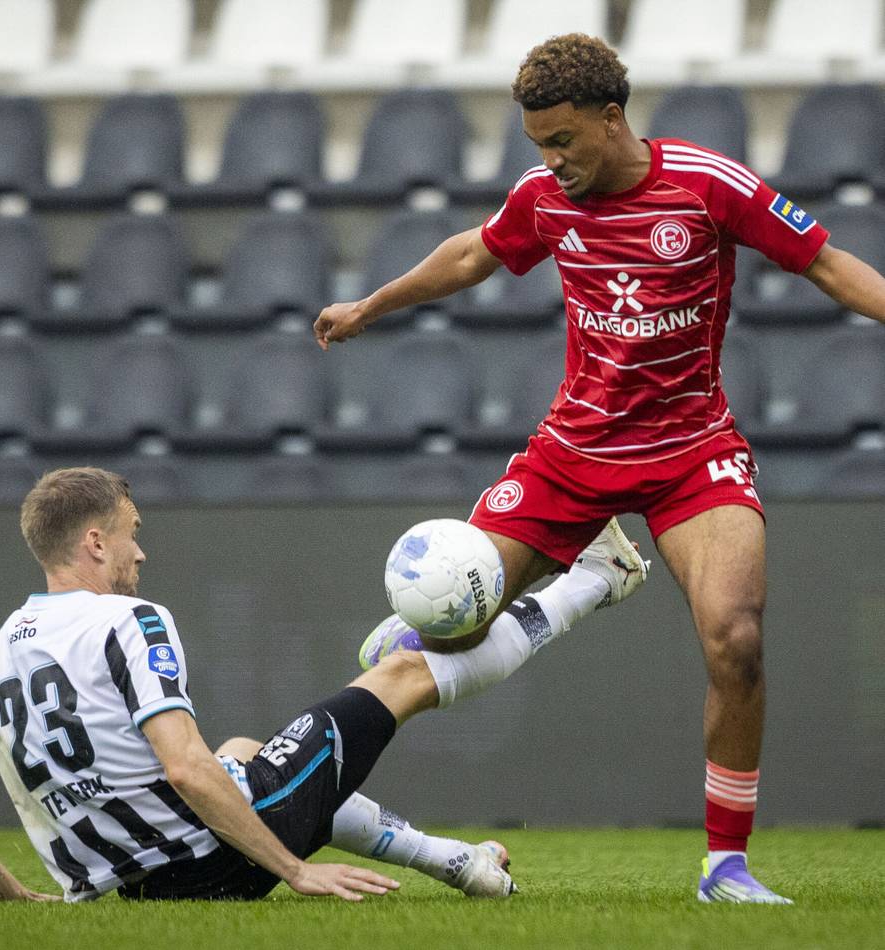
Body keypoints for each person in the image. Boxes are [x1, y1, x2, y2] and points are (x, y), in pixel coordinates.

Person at [313, 34, 885, 904]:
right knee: (453, 630)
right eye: (538, 144)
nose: (551, 160)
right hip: (571, 457)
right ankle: (589, 576)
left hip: (693, 452)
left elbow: (830, 266)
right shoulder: (544, 197)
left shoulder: (707, 185)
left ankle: (725, 868)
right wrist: (370, 305)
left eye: (563, 140)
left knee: (736, 641)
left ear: (611, 118)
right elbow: (471, 254)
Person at [0, 466, 643, 903]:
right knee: (402, 671)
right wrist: (293, 870)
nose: (140, 552)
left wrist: (18, 901)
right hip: (210, 861)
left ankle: (459, 863)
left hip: (131, 890)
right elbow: (183, 768)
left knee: (247, 753)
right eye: (131, 533)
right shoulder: (128, 620)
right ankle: (598, 580)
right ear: (95, 542)